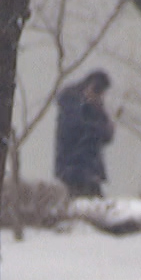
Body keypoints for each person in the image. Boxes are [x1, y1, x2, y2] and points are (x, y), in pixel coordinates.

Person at [53, 69, 114, 199]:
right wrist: (89, 107)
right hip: (73, 168)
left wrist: (98, 110)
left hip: (91, 169)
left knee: (96, 206)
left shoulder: (95, 108)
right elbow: (76, 129)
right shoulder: (71, 103)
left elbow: (106, 135)